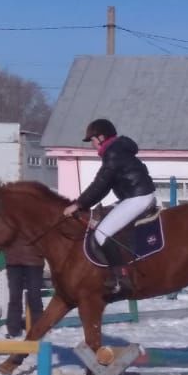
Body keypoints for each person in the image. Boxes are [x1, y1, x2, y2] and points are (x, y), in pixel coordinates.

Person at [62, 118, 156, 294]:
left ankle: (121, 277)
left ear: (101, 137)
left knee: (101, 233)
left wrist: (78, 204)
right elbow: (104, 186)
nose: (92, 145)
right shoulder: (116, 150)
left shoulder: (113, 154)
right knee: (103, 221)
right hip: (136, 195)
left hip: (138, 197)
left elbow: (100, 184)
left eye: (92, 140)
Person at [3, 234, 45, 339]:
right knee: (14, 297)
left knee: (34, 296)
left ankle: (38, 330)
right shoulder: (9, 218)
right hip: (14, 261)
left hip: (34, 261)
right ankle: (13, 330)